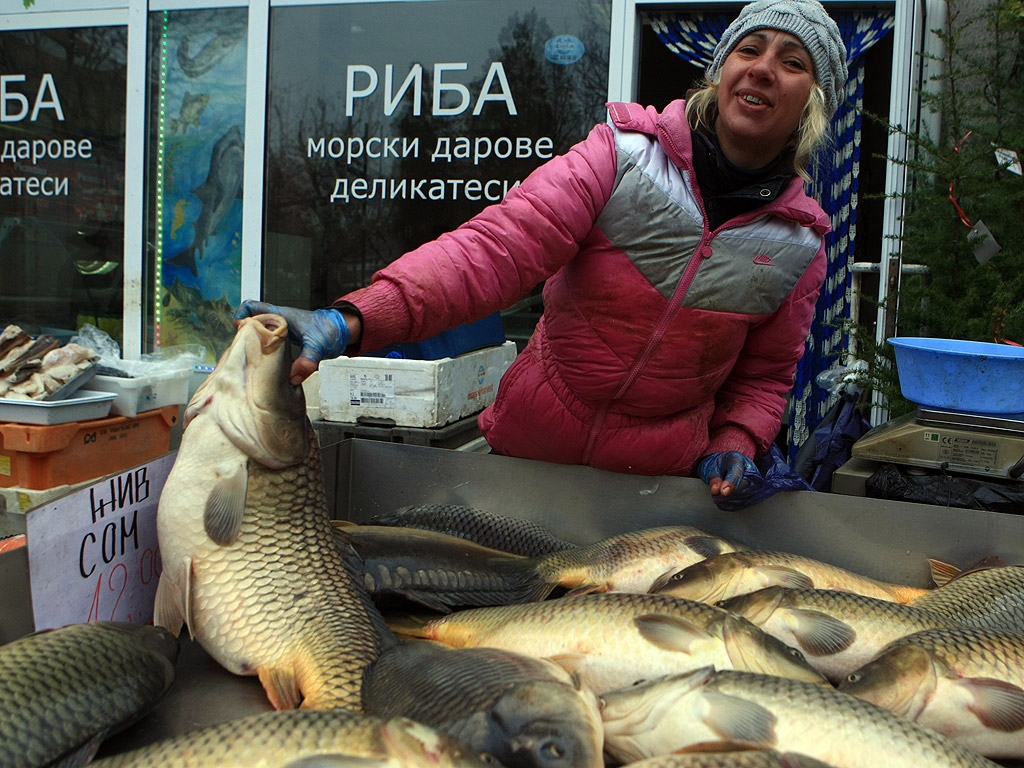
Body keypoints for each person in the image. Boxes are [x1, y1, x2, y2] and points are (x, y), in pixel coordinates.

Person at [235, 0, 848, 502]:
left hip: (655, 492)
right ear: (720, 72)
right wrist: (353, 318)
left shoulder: (797, 245)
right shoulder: (619, 159)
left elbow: (764, 378)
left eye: (791, 62)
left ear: (812, 104)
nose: (763, 68)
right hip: (526, 460)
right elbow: (493, 252)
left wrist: (737, 442)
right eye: (749, 50)